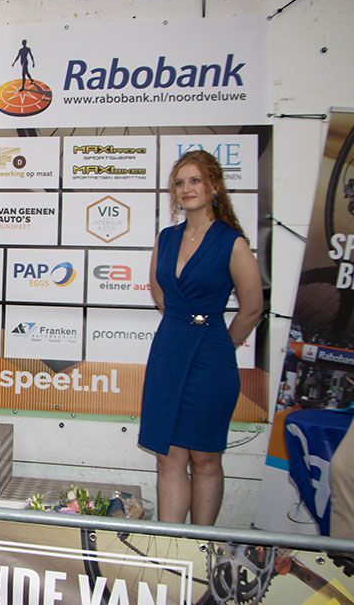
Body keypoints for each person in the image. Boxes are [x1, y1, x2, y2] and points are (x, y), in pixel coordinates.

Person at [138, 150, 262, 525]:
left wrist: (218, 342)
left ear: (214, 187)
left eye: (195, 180)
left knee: (205, 458)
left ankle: (201, 545)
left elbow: (252, 308)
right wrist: (182, 323)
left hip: (210, 357)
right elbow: (160, 293)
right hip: (168, 351)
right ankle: (168, 546)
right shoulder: (166, 238)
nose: (186, 188)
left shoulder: (232, 242)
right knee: (167, 456)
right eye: (179, 182)